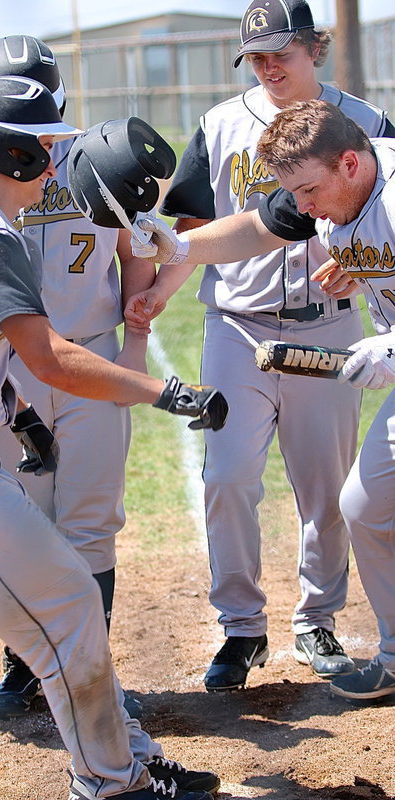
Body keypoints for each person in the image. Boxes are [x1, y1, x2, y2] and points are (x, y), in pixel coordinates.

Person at [0, 75, 225, 799]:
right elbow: (49, 358)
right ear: (12, 153)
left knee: (64, 610)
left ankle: (125, 757)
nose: (57, 161)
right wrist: (167, 390)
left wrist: (22, 420)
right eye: (46, 146)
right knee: (64, 608)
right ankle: (107, 780)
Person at [127, 0, 395, 693]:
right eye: (257, 57)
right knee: (240, 480)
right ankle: (242, 628)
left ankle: (318, 618)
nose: (269, 66)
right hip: (239, 326)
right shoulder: (233, 130)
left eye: (282, 51)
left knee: (332, 493)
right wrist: (174, 259)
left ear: (317, 50)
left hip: (332, 329)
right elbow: (252, 222)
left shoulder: (373, 141)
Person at [0, 35, 155, 720]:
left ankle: (91, 680)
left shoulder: (95, 154)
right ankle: (24, 668)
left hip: (89, 354)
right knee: (24, 524)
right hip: (8, 366)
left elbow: (137, 244)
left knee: (91, 520)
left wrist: (137, 318)